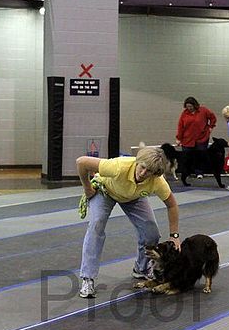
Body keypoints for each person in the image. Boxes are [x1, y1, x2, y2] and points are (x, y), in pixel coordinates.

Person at [76, 147, 180, 298]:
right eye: (142, 167)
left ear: (155, 174)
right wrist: (87, 188)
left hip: (133, 197)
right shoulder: (118, 167)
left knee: (151, 233)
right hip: (106, 191)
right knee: (96, 225)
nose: (143, 173)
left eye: (149, 171)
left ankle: (141, 269)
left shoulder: (157, 182)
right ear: (137, 162)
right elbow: (81, 162)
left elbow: (172, 205)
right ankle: (88, 277)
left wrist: (174, 235)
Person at [176, 96, 217, 184]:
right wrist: (179, 138)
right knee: (187, 157)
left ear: (195, 105)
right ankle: (187, 173)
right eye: (187, 107)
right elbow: (180, 126)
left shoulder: (204, 110)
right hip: (187, 139)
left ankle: (199, 172)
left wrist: (211, 127)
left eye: (190, 106)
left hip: (201, 138)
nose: (189, 108)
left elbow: (213, 118)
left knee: (200, 156)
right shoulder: (184, 114)